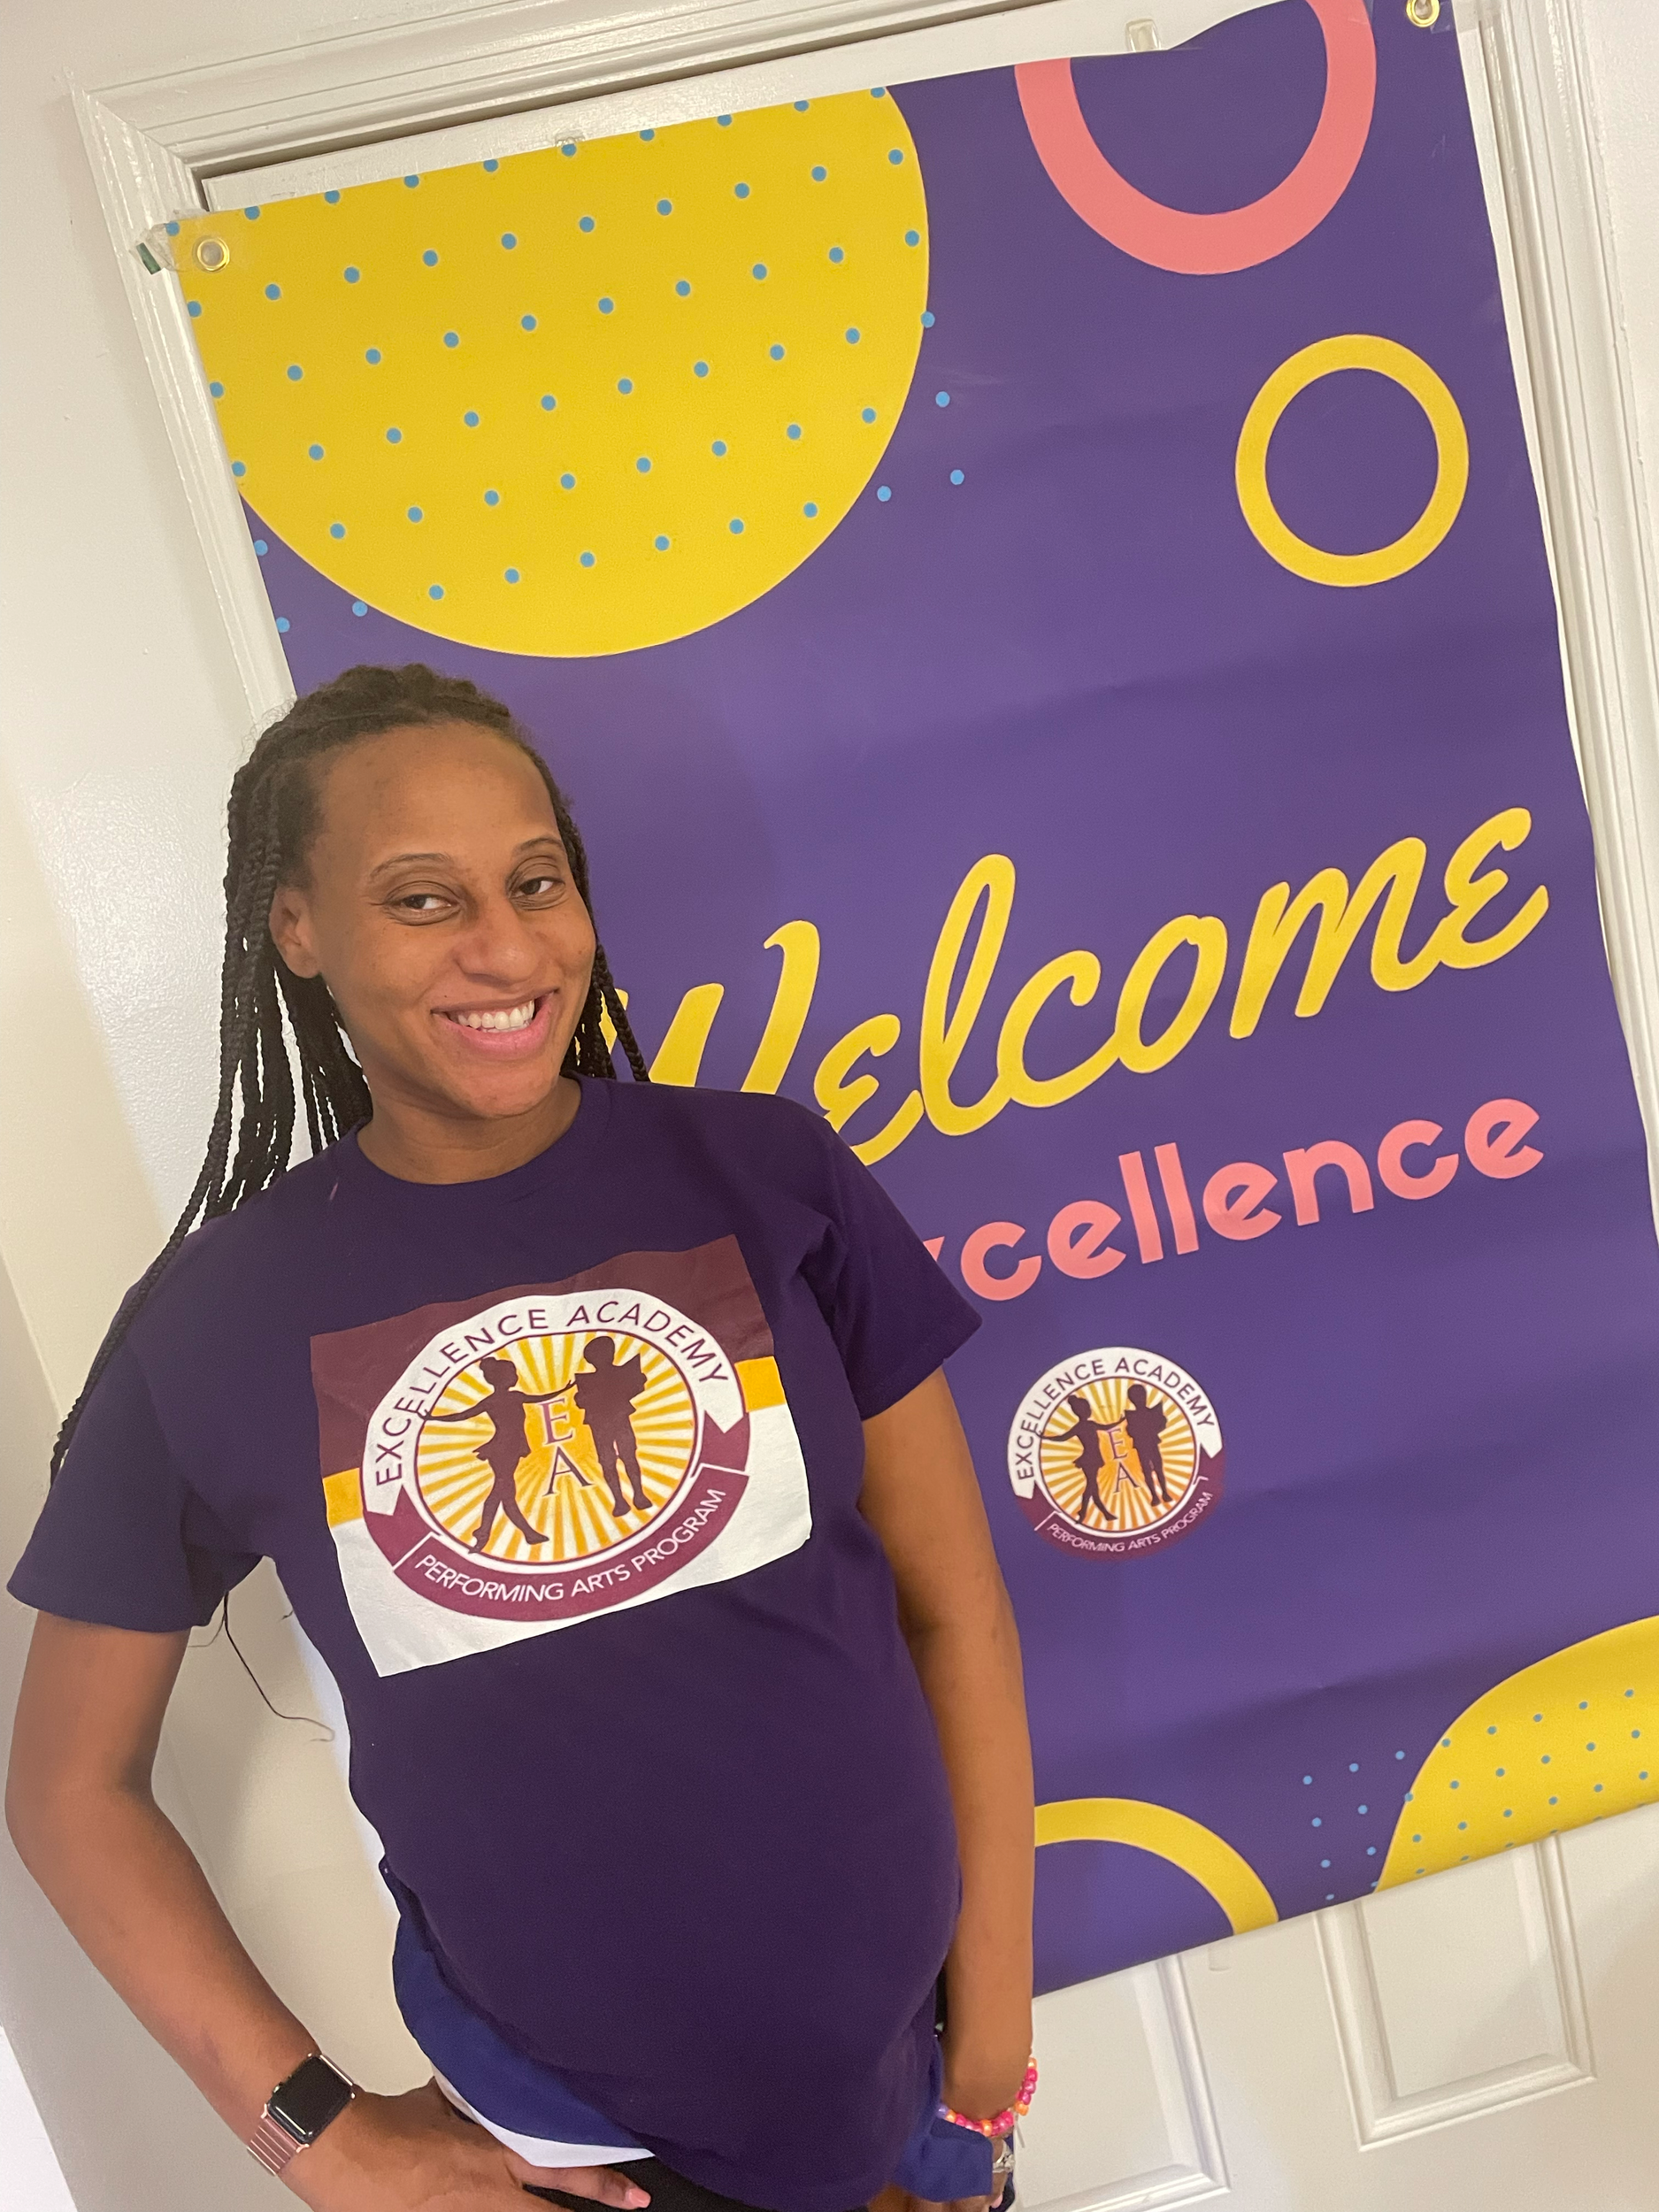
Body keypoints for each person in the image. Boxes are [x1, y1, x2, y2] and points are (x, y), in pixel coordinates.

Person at [4, 665, 1035, 2212]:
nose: (505, 946)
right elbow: (68, 1790)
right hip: (570, 2157)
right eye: (422, 899)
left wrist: (987, 2059)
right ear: (298, 930)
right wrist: (323, 2143)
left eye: (534, 881)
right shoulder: (222, 1320)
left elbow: (957, 1616)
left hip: (911, 2100)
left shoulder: (767, 1174)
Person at [1121, 1385, 1170, 1509]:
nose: (1139, 1399)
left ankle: (1164, 1492)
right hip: (1142, 1446)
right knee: (1147, 1471)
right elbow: (1131, 1431)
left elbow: (1161, 1424)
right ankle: (1154, 1495)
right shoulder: (1131, 1416)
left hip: (1152, 1443)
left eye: (1141, 1396)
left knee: (1158, 1468)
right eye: (1135, 1397)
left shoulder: (1152, 1412)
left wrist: (1160, 1421)